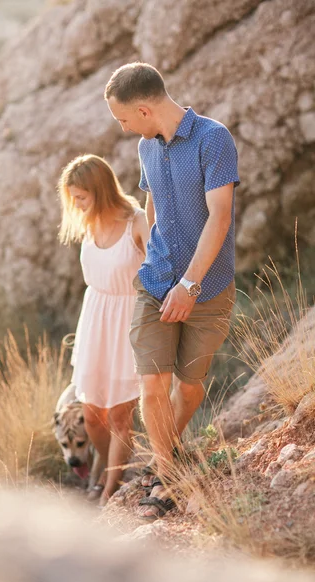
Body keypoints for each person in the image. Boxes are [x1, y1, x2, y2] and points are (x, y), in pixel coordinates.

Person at [105, 63, 239, 519]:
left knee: (191, 387)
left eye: (123, 119)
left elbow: (219, 217)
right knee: (152, 383)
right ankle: (167, 476)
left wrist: (190, 284)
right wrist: (147, 250)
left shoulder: (213, 138)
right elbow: (153, 201)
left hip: (209, 289)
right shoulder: (146, 147)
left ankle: (170, 451)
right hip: (156, 281)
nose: (123, 129)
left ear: (143, 109)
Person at [58, 154, 149, 506]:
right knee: (94, 415)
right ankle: (109, 466)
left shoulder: (137, 222)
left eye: (81, 197)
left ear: (100, 189)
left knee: (120, 415)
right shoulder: (89, 223)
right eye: (73, 199)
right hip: (94, 318)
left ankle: (109, 489)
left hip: (128, 320)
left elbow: (160, 269)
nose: (77, 206)